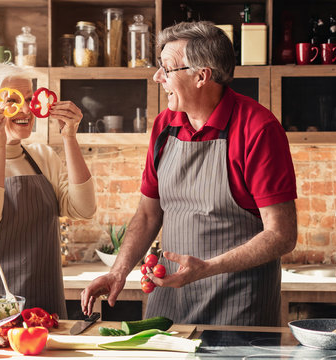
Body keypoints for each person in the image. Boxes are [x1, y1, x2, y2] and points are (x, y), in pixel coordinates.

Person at [81, 21, 297, 326]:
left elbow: (281, 235)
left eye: (167, 69)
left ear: (201, 75)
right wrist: (118, 272)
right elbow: (147, 215)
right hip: (169, 306)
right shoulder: (163, 126)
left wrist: (206, 268)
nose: (158, 78)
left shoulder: (258, 130)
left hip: (238, 309)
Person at [0, 63, 96, 318]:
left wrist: (69, 137)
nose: (27, 110)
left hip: (42, 298)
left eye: (29, 99)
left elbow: (84, 209)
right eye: (13, 100)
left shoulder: (44, 156)